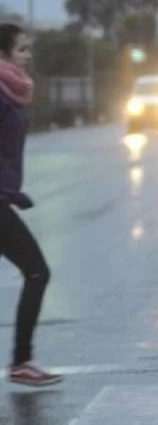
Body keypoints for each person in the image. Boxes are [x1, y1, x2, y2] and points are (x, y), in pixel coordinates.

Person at [0, 23, 62, 387]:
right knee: (37, 272)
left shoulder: (12, 91)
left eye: (29, 49)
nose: (29, 56)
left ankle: (22, 361)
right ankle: (21, 362)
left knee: (37, 273)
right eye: (22, 50)